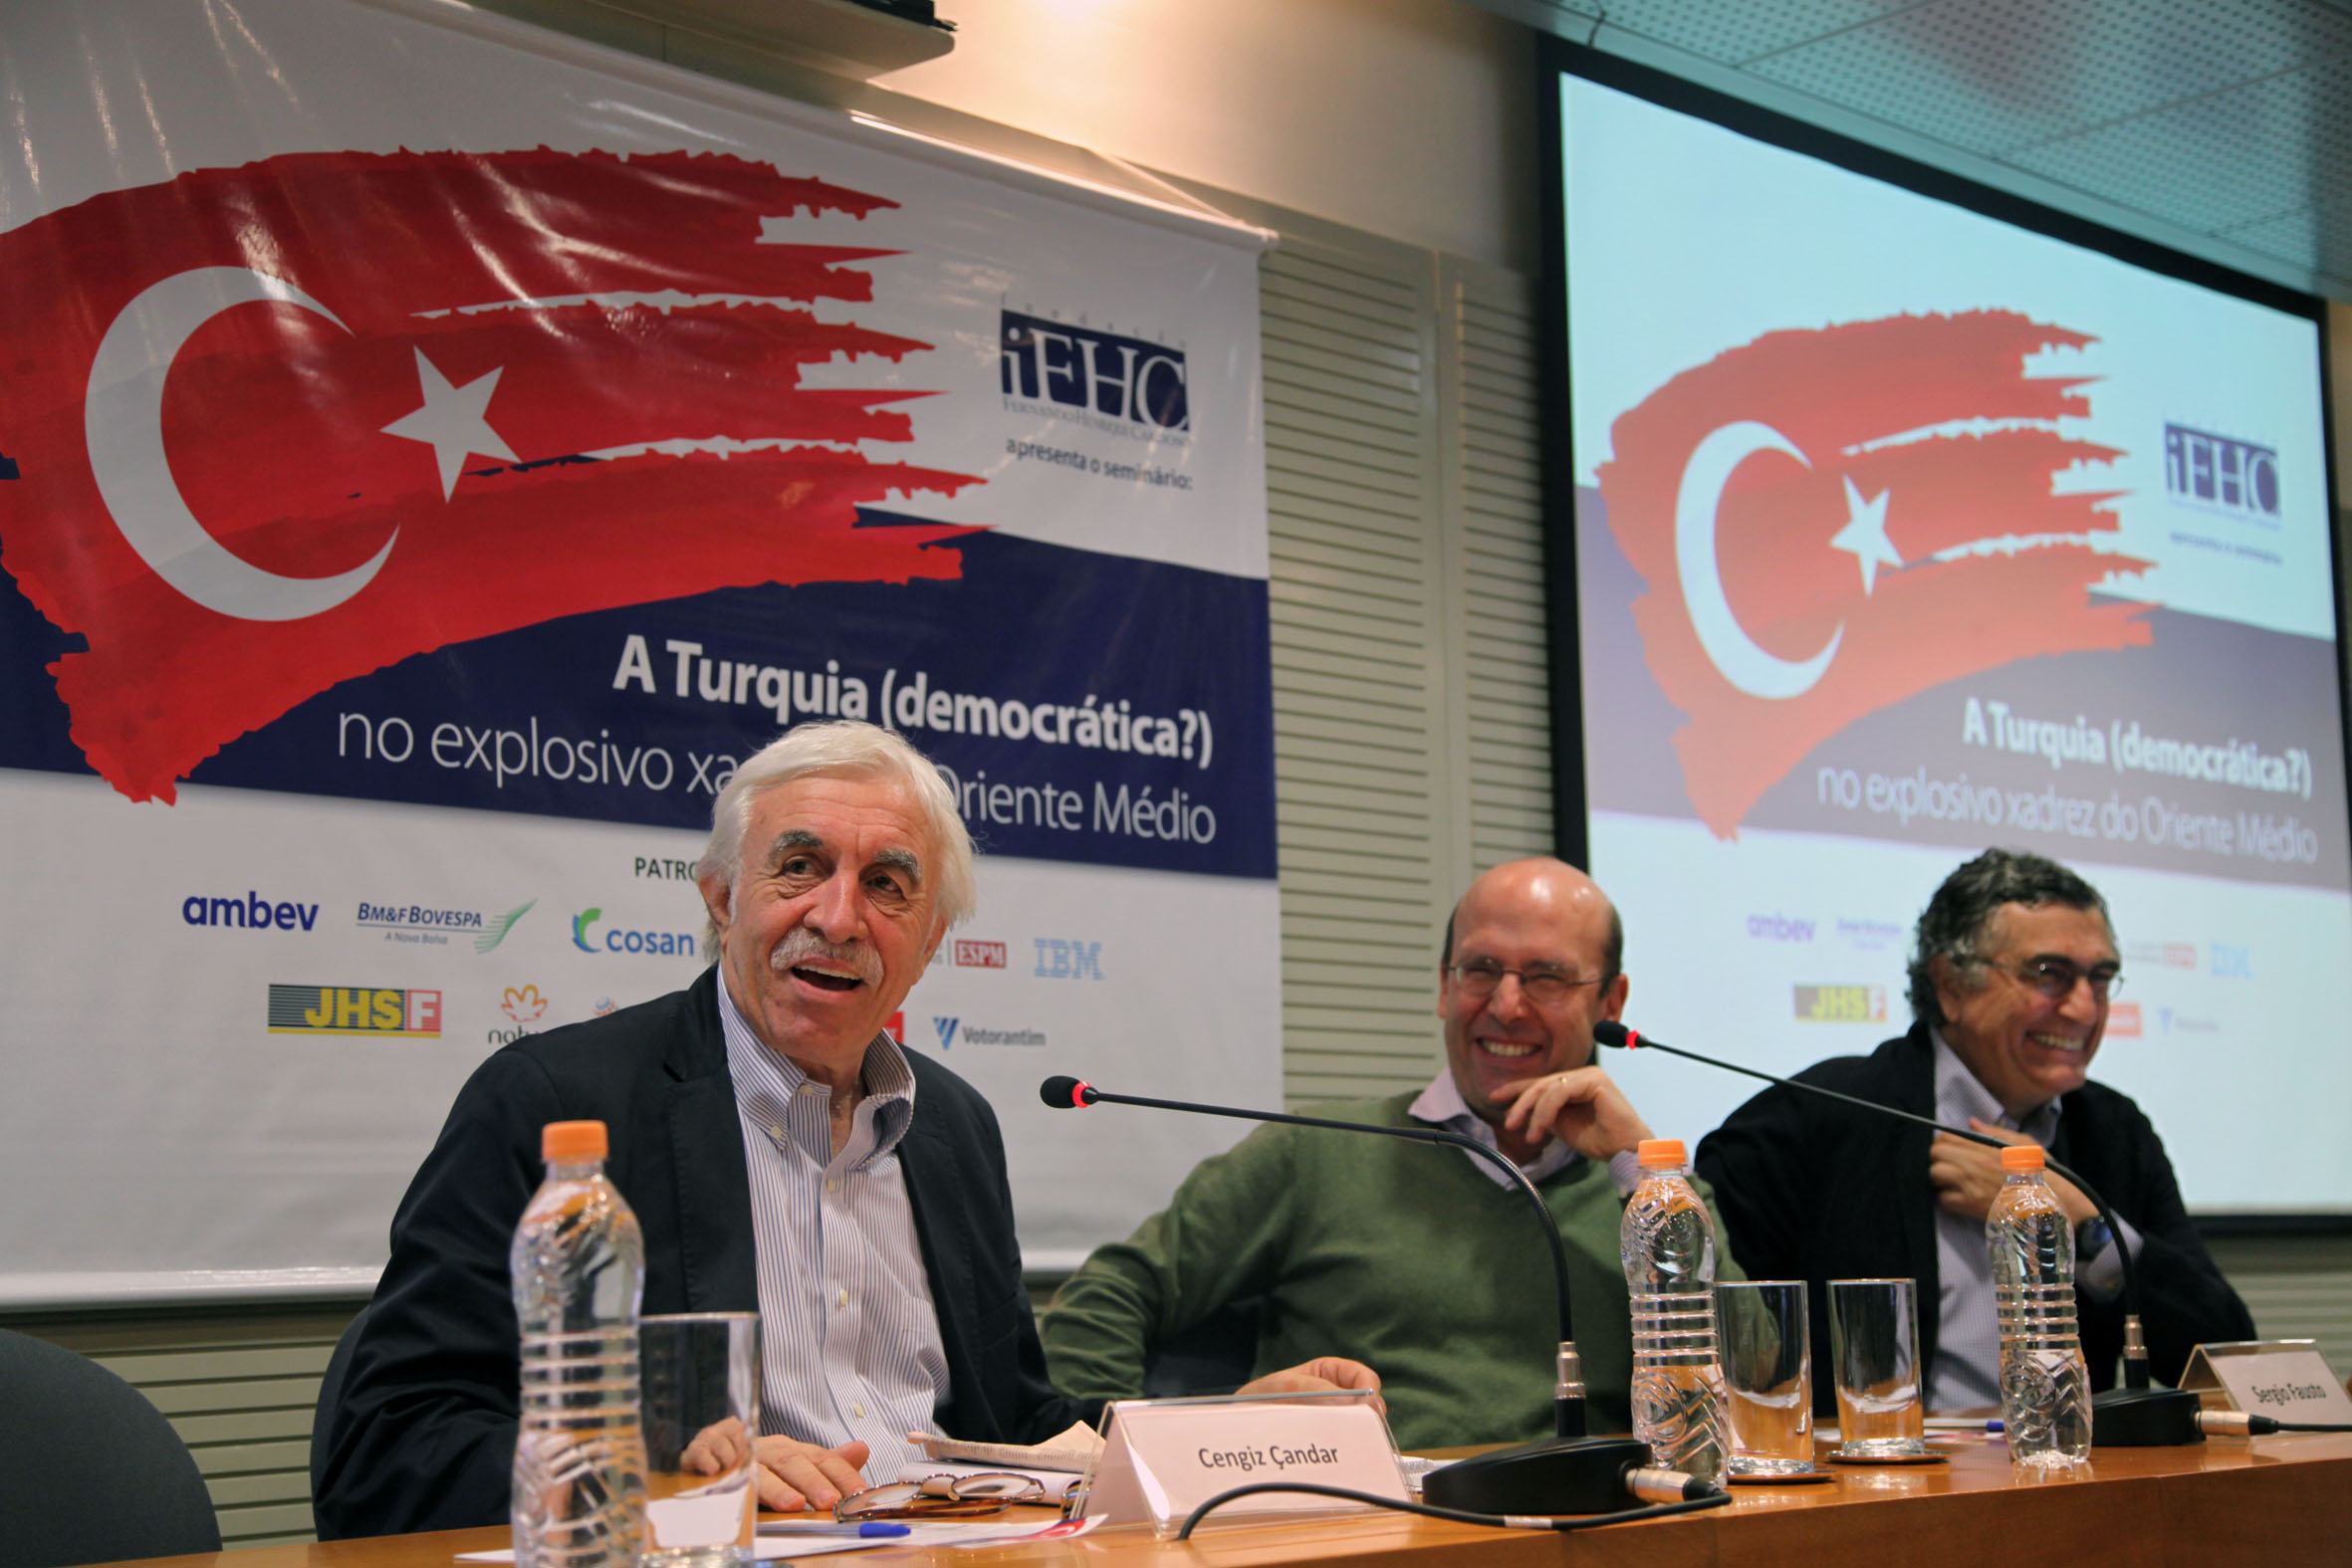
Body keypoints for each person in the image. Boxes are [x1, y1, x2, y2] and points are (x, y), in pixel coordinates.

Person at [315, 721, 1369, 1538]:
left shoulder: (953, 1127)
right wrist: (667, 1475)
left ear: (929, 940)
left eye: (887, 886)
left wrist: (1219, 1433)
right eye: (798, 867)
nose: (837, 916)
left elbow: (1014, 1421)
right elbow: (390, 1444)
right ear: (720, 898)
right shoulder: (556, 1102)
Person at [1039, 857, 1735, 1447]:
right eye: (1480, 969)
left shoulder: (1649, 1192)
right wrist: (1136, 1455)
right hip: (1372, 1528)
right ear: (1443, 986)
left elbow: (1748, 1373)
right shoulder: (1317, 1152)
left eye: (1546, 977)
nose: (1506, 1005)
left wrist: (1644, 1169)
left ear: (1611, 1002)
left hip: (1599, 1530)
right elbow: (1104, 1300)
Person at [1695, 847, 2252, 1414]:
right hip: (1880, 1464)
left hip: (2067, 1460)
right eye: (2049, 975)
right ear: (1951, 986)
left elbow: (2226, 1359)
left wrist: (2077, 1223)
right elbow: (1722, 1350)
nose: (2085, 1010)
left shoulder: (2113, 1131)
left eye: (2101, 978)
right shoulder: (1812, 1118)